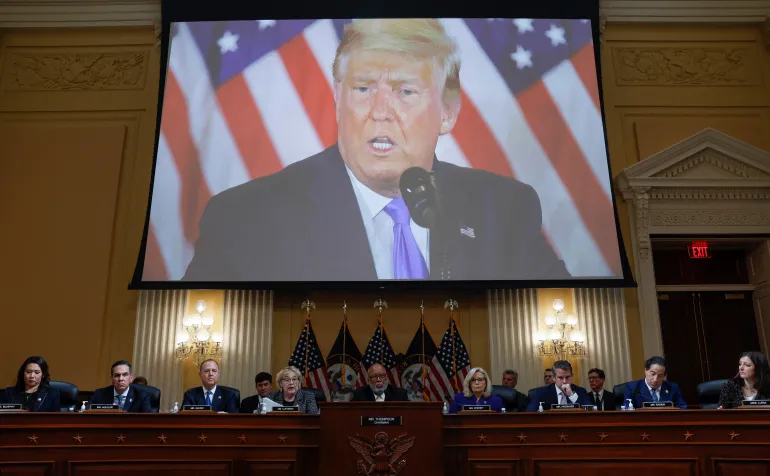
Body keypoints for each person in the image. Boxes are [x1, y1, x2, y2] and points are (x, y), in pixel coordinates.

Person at [182, 18, 569, 282]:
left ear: (448, 112)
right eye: (364, 88)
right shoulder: (246, 220)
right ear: (338, 99)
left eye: (405, 91)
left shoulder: (504, 212)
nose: (380, 111)